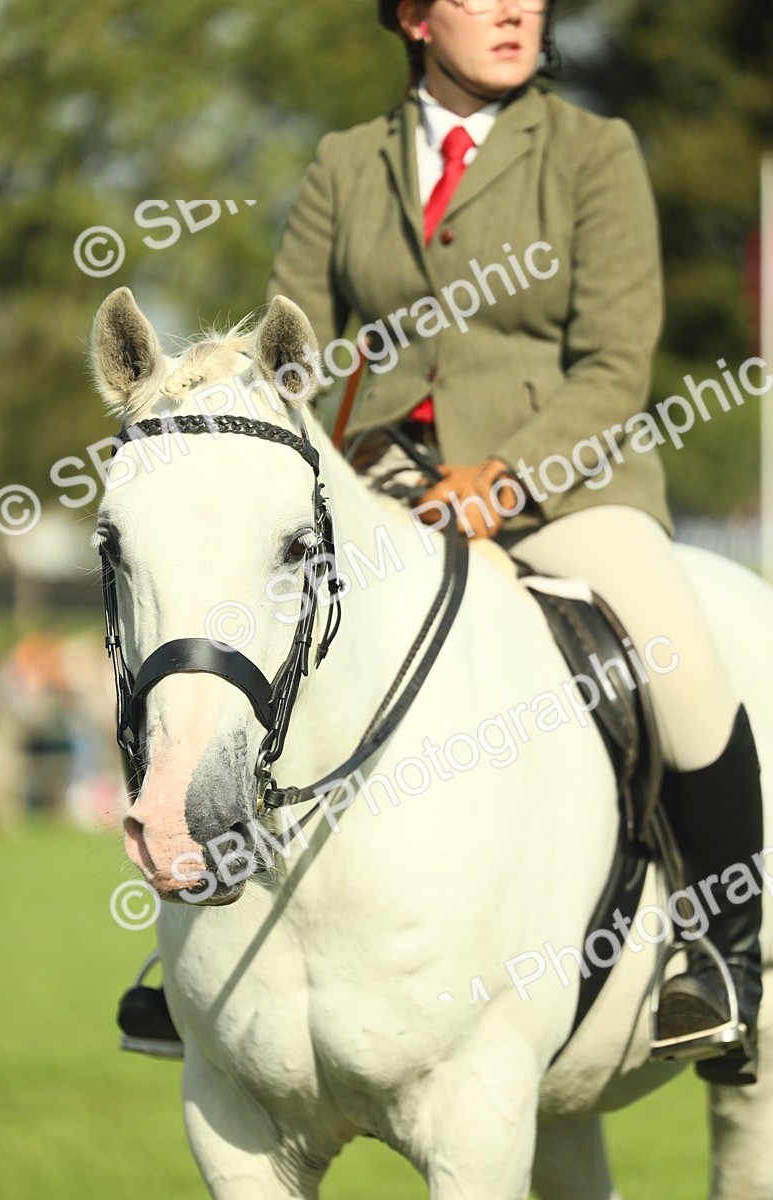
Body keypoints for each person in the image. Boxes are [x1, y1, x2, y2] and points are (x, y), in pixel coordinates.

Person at [262, 0, 765, 1086]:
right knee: (244, 644)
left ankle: (722, 961)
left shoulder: (593, 150)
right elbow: (288, 350)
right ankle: (211, 966)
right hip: (383, 489)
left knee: (682, 667)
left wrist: (503, 477)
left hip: (566, 488)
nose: (515, 11)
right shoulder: (344, 164)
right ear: (410, 18)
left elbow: (615, 366)